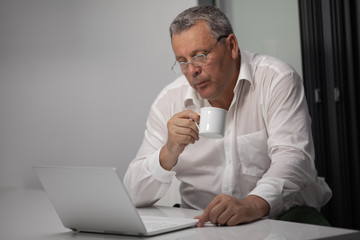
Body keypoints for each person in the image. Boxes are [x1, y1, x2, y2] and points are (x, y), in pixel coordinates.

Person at [124, 5, 332, 227]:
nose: (192, 70)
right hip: (201, 221)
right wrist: (168, 152)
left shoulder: (276, 79)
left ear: (232, 46)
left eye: (200, 56)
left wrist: (253, 204)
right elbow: (133, 193)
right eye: (183, 61)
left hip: (280, 215)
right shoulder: (168, 100)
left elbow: (293, 158)